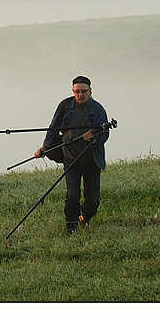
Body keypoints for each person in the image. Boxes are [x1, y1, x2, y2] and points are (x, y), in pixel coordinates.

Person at [34, 76, 110, 234]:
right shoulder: (65, 105)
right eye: (77, 92)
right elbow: (53, 127)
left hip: (91, 160)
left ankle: (85, 217)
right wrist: (45, 147)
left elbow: (105, 134)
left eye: (84, 91)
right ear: (73, 91)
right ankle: (71, 229)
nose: (80, 95)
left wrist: (94, 137)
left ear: (90, 91)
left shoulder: (98, 109)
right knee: (72, 195)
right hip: (71, 158)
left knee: (92, 201)